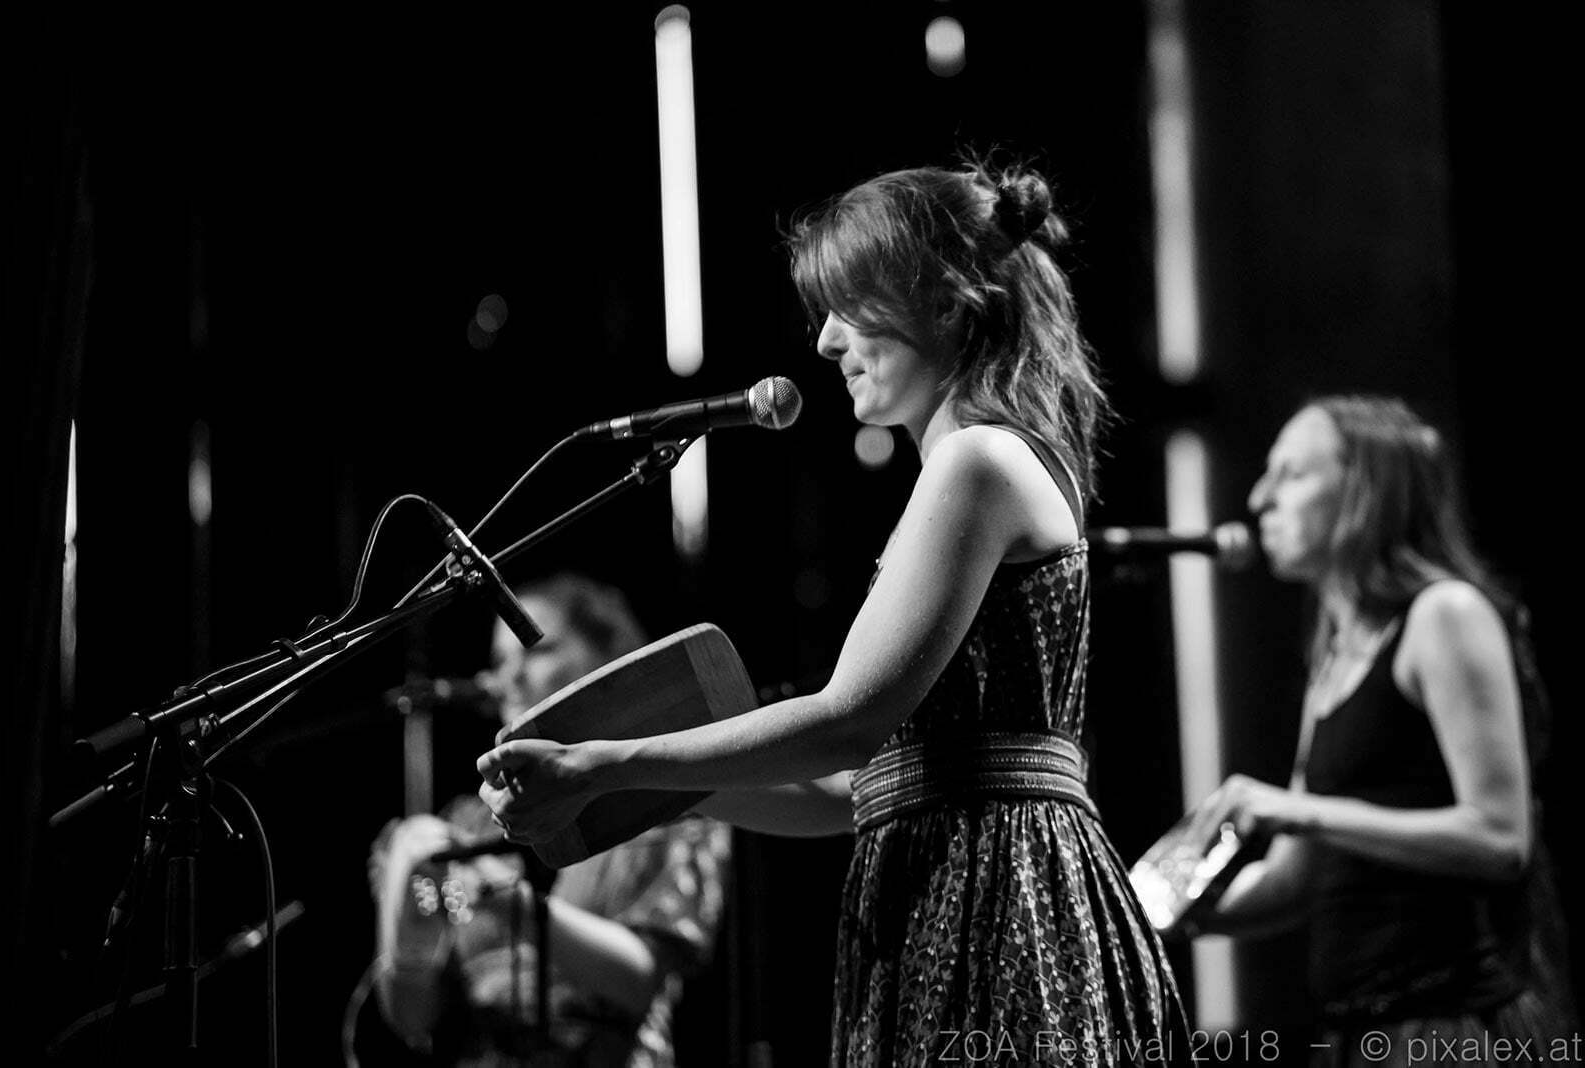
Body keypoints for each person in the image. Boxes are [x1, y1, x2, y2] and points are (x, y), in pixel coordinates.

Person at [477, 162, 1193, 1065]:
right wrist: (622, 786)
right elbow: (851, 790)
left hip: (994, 896)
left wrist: (602, 763)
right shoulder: (976, 467)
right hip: (963, 879)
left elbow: (847, 721)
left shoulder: (975, 462)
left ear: (944, 301)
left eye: (848, 307)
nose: (823, 341)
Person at [1185, 396, 1578, 1064]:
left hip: (1450, 1028)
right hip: (1357, 1031)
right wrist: (1165, 910)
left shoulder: (1444, 615)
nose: (1259, 499)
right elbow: (1293, 879)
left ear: (1366, 490)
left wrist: (1299, 811)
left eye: (1291, 475)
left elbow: (1500, 838)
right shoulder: (1335, 653)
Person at [368, 572, 731, 1067]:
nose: (510, 677)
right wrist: (400, 906)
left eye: (537, 650)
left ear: (606, 660)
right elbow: (412, 1019)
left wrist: (510, 901)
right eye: (499, 661)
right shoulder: (467, 825)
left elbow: (639, 979)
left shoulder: (666, 801)